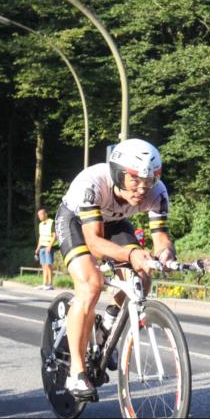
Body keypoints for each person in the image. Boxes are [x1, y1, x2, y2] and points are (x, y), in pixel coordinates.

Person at [55, 139, 176, 400]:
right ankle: (76, 372)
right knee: (91, 285)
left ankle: (107, 323)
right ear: (117, 173)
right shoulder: (92, 183)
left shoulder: (158, 192)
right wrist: (132, 253)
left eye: (150, 180)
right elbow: (95, 242)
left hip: (116, 223)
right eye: (134, 180)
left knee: (142, 277)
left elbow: (161, 236)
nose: (142, 188)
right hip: (77, 223)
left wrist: (166, 252)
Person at [33, 208, 58, 290]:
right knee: (43, 266)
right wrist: (37, 248)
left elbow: (55, 236)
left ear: (45, 214)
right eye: (38, 215)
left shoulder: (51, 222)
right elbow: (41, 237)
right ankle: (44, 284)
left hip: (48, 247)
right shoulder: (40, 224)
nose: (39, 216)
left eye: (41, 214)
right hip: (42, 247)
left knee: (48, 265)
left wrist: (50, 246)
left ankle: (50, 284)